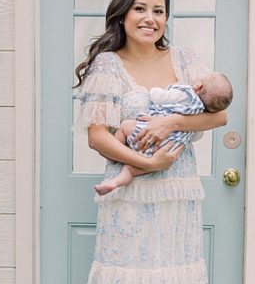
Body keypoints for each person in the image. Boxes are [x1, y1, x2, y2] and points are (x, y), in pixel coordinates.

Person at [50, 0, 229, 284]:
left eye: (159, 10)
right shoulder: (107, 66)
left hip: (178, 201)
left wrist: (171, 120)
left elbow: (220, 113)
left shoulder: (186, 60)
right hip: (129, 202)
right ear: (123, 14)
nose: (151, 19)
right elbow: (98, 136)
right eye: (141, 9)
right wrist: (146, 161)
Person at [94, 73, 233, 196]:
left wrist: (156, 92)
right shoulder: (201, 111)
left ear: (198, 86)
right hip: (166, 152)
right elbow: (197, 136)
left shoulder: (184, 94)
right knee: (130, 170)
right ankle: (117, 181)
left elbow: (158, 97)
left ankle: (114, 154)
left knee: (125, 126)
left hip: (144, 135)